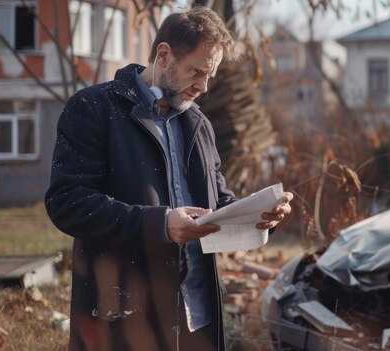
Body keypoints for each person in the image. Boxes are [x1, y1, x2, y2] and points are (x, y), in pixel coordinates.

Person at [45, 6, 293, 351]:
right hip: (126, 319)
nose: (204, 86)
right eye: (197, 71)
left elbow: (217, 204)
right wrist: (160, 225)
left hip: (198, 318)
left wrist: (261, 216)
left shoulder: (199, 124)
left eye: (211, 75)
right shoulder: (93, 108)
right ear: (164, 55)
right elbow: (67, 203)